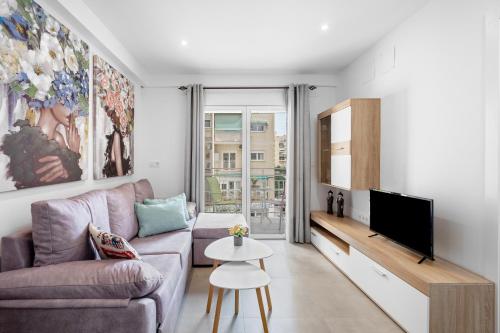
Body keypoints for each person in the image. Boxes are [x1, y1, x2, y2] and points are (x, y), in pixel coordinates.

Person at [2, 103, 82, 189]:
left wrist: (74, 154)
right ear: (50, 99)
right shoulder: (30, 141)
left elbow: (71, 184)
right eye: (67, 102)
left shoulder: (59, 138)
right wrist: (74, 154)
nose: (75, 113)